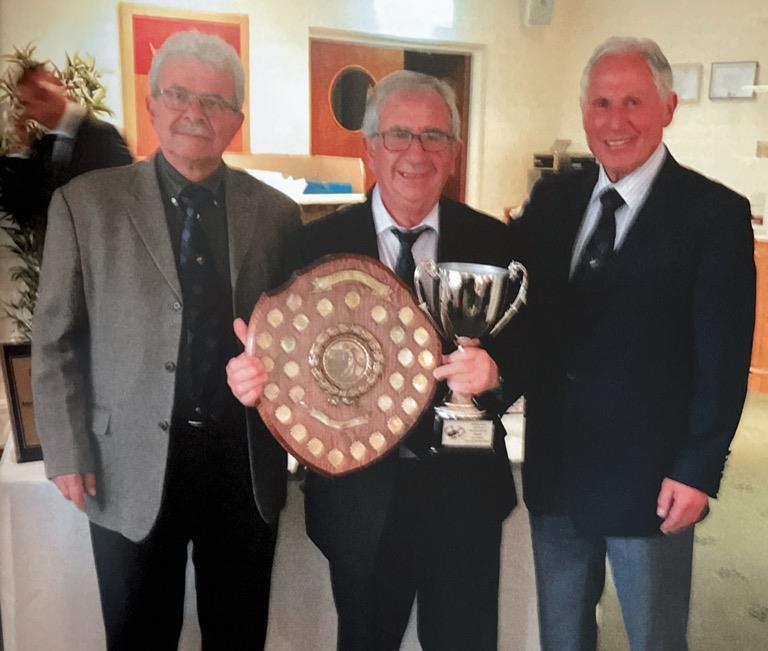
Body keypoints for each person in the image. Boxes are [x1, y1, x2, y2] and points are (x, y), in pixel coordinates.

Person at [226, 70, 518, 650]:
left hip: (463, 499)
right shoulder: (310, 244)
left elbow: (535, 343)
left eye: (435, 136)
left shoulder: (497, 243)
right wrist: (256, 379)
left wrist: (497, 372)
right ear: (369, 147)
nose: (416, 152)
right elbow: (285, 358)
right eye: (398, 135)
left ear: (455, 154)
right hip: (359, 503)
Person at [31, 31, 302, 650]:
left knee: (237, 636)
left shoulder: (278, 215)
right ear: (151, 104)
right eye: (178, 94)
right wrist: (66, 449)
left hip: (243, 465)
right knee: (137, 636)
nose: (194, 113)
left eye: (214, 102)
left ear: (236, 120)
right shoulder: (85, 204)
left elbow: (296, 334)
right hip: (124, 460)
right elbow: (54, 340)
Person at [512, 36, 756, 650]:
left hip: (652, 483)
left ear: (668, 108)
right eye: (600, 103)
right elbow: (525, 320)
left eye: (632, 102)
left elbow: (722, 361)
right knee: (559, 637)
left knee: (654, 638)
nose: (614, 122)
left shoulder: (715, 215)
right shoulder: (553, 200)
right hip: (557, 469)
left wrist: (699, 469)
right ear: (583, 112)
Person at [0, 64, 132, 231]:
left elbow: (122, 205)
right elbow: (23, 208)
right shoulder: (43, 146)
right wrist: (20, 145)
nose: (30, 111)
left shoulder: (103, 136)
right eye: (25, 104)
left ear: (54, 90)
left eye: (32, 101)